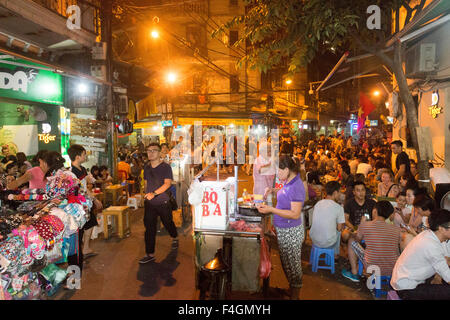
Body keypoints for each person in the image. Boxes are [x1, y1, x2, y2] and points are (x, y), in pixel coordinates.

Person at [258, 155, 305, 300]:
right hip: (284, 230)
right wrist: (273, 190)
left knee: (293, 266)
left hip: (291, 232)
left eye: (279, 171)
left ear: (287, 169)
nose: (277, 174)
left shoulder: (297, 186)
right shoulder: (289, 180)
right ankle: (291, 289)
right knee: (287, 264)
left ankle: (295, 296)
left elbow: (295, 214)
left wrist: (271, 210)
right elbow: (285, 193)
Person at [390, 209, 450, 300]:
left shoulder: (428, 235)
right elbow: (447, 275)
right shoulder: (432, 245)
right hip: (408, 289)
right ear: (441, 228)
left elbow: (442, 261)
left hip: (405, 280)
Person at [342, 201, 401, 282]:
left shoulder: (366, 225)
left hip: (373, 268)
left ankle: (354, 272)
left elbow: (357, 240)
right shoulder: (396, 229)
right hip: (392, 268)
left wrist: (361, 224)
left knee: (351, 241)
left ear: (375, 211)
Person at [140, 143, 178, 264]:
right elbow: (146, 183)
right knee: (149, 229)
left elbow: (167, 184)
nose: (150, 153)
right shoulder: (146, 167)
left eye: (153, 150)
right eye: (148, 151)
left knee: (167, 223)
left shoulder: (166, 167)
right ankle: (149, 254)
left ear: (159, 152)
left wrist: (154, 193)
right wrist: (145, 194)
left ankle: (175, 236)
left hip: (163, 202)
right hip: (150, 203)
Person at [68, 144, 100, 263]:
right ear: (77, 157)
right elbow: (81, 189)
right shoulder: (72, 172)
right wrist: (94, 199)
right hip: (79, 205)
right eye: (84, 154)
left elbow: (86, 184)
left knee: (91, 223)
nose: (85, 156)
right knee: (80, 229)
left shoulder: (82, 169)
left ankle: (85, 248)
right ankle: (79, 254)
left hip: (86, 202)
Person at [309, 181, 345, 258]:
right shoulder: (339, 208)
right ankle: (335, 255)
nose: (340, 194)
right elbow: (339, 228)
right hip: (328, 242)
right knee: (339, 231)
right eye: (339, 192)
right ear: (335, 193)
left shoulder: (318, 204)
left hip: (314, 239)